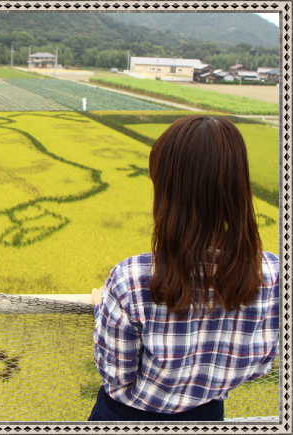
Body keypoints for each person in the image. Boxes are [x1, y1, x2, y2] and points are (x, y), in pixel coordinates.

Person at [88, 115, 279, 422]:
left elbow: (115, 377)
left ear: (168, 193)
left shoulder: (130, 282)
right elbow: (259, 365)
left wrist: (101, 309)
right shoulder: (272, 276)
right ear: (239, 188)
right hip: (207, 417)